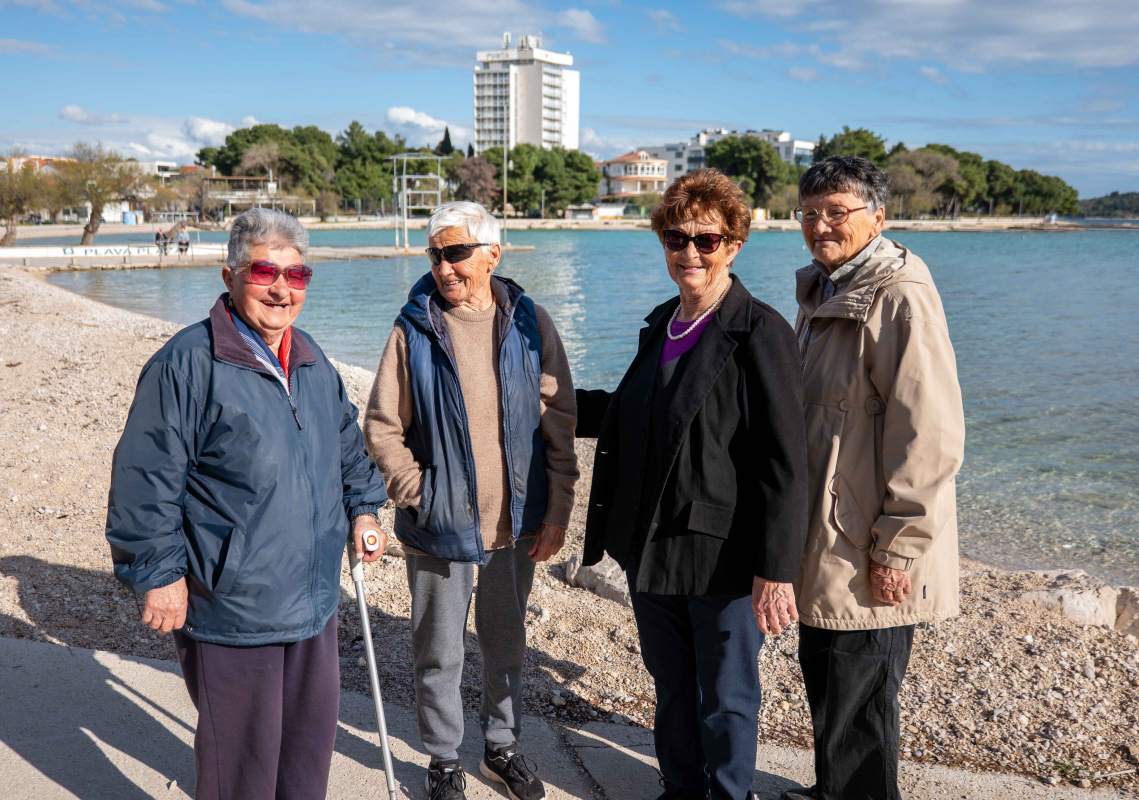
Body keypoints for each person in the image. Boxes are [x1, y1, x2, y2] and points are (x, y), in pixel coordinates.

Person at [106, 207, 389, 800]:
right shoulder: (188, 361)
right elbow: (146, 477)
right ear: (230, 274)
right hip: (233, 607)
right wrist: (159, 573)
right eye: (265, 272)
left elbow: (347, 448)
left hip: (313, 601)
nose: (282, 289)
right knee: (240, 770)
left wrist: (364, 508)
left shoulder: (309, 357)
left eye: (298, 275)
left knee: (305, 758)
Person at [575, 169, 809, 800]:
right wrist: (544, 403)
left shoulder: (760, 332)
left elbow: (786, 461)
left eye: (707, 240)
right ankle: (680, 790)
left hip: (724, 556)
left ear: (734, 244)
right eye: (677, 239)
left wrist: (777, 568)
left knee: (726, 697)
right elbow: (630, 415)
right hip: (651, 546)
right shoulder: (661, 324)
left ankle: (729, 795)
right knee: (672, 683)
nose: (690, 253)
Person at [364, 201, 579, 800]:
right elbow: (382, 425)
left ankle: (501, 748)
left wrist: (557, 510)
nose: (444, 267)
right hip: (439, 526)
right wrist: (418, 493)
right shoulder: (414, 329)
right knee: (438, 652)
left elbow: (558, 416)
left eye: (455, 252)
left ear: (491, 254)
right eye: (435, 255)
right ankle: (442, 760)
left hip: (516, 525)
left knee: (507, 646)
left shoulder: (532, 322)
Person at [782, 157, 965, 800]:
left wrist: (900, 546)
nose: (820, 226)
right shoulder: (827, 287)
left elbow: (931, 433)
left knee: (861, 698)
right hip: (832, 529)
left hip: (870, 538)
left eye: (837, 212)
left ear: (877, 217)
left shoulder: (900, 294)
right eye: (808, 213)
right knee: (831, 683)